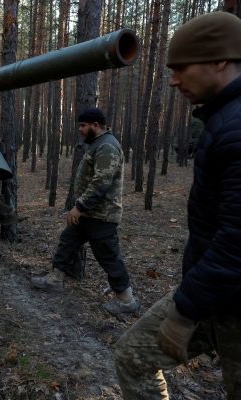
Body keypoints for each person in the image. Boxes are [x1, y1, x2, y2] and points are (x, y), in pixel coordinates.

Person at [114, 12, 241, 399]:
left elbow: (237, 239)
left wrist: (185, 310)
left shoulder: (236, 128)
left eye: (181, 68)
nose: (172, 80)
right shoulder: (224, 120)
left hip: (227, 295)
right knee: (133, 355)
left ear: (220, 60)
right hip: (218, 292)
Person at [30, 107, 139, 315]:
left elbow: (102, 181)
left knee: (108, 255)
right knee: (67, 241)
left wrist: (79, 206)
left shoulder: (107, 146)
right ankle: (55, 279)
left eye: (83, 125)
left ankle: (126, 300)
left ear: (95, 125)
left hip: (102, 214)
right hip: (89, 213)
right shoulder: (97, 144)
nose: (80, 129)